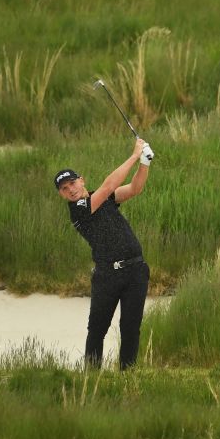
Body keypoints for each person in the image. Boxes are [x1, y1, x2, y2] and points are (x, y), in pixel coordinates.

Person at [54, 137, 154, 370]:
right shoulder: (78, 210)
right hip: (107, 276)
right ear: (62, 194)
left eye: (72, 183)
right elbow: (108, 186)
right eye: (64, 189)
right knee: (97, 329)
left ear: (81, 180)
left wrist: (144, 162)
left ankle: (127, 377)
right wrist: (133, 155)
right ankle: (92, 377)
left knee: (130, 328)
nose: (70, 190)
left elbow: (134, 189)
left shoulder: (100, 198)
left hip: (135, 271)